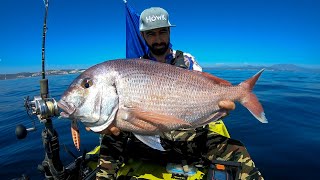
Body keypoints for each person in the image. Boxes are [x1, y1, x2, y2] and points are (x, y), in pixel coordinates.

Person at [95, 7, 264, 180]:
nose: (158, 39)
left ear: (169, 32)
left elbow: (205, 93)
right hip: (145, 135)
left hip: (185, 135)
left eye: (163, 32)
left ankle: (243, 93)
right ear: (143, 36)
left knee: (236, 150)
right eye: (151, 34)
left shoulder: (187, 61)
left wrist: (217, 110)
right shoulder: (134, 66)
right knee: (110, 138)